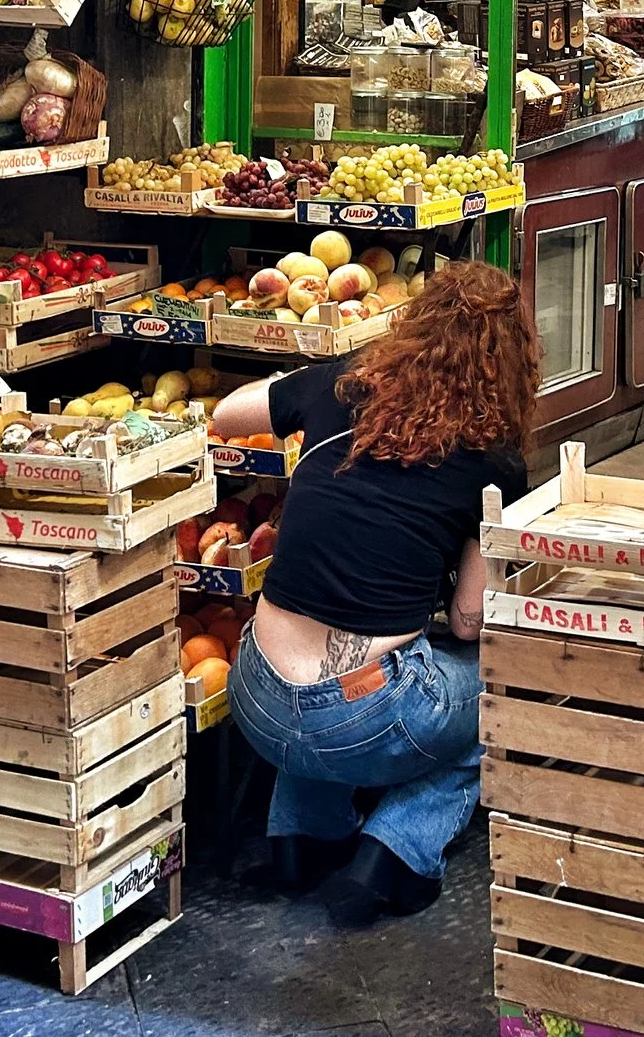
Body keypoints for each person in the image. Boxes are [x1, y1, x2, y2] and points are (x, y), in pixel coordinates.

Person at [208, 261, 533, 925]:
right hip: (363, 711)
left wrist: (307, 388)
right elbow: (471, 620)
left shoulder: (346, 380)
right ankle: (393, 854)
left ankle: (300, 839)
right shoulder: (495, 459)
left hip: (254, 693)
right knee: (493, 691)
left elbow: (224, 413)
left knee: (322, 675)